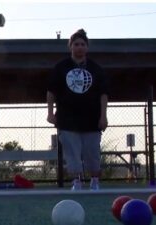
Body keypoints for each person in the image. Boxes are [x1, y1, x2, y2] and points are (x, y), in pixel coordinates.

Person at [47, 29, 109, 190]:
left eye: (82, 44)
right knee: (72, 153)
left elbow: (103, 94)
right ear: (70, 46)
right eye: (76, 44)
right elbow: (51, 91)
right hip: (67, 119)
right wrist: (49, 112)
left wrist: (104, 116)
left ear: (87, 47)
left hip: (91, 119)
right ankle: (77, 181)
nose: (79, 47)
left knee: (92, 153)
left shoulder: (96, 69)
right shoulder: (61, 67)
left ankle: (95, 180)